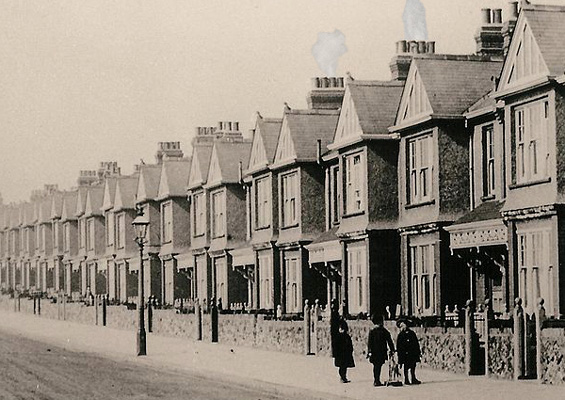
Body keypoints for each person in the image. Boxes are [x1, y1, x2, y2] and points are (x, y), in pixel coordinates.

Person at [367, 314, 395, 387]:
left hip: (377, 351)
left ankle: (376, 380)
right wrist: (392, 349)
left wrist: (392, 349)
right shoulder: (380, 331)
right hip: (378, 352)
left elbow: (389, 340)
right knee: (377, 366)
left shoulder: (376, 331)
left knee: (377, 365)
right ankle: (376, 380)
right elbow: (389, 341)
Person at [396, 319, 421, 385]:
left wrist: (418, 352)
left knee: (413, 365)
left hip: (412, 352)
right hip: (404, 353)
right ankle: (406, 379)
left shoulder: (412, 333)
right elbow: (399, 345)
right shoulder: (400, 335)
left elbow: (416, 343)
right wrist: (400, 354)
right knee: (406, 366)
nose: (402, 327)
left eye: (403, 325)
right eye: (400, 326)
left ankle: (413, 378)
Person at [334, 319, 355, 383]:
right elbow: (336, 346)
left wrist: (350, 351)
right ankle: (342, 377)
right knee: (342, 366)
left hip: (345, 354)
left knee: (344, 366)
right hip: (340, 354)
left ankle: (344, 377)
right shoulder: (338, 337)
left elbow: (350, 345)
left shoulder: (346, 336)